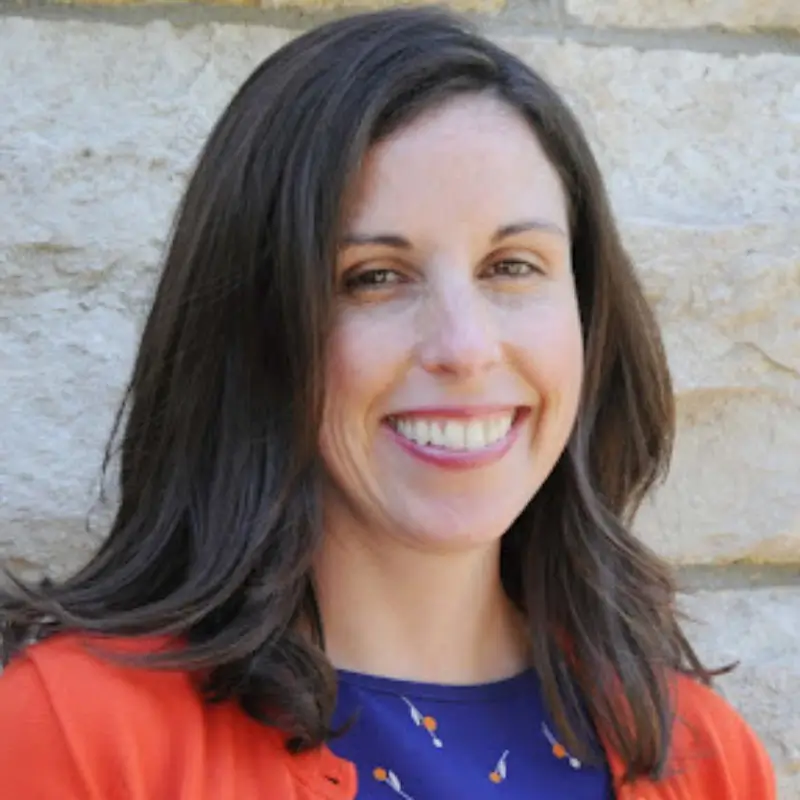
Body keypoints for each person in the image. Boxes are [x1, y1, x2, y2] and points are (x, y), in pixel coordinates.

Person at [0, 7, 775, 799]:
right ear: (257, 330)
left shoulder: (704, 759)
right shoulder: (78, 735)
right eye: (374, 277)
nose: (465, 347)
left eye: (512, 266)